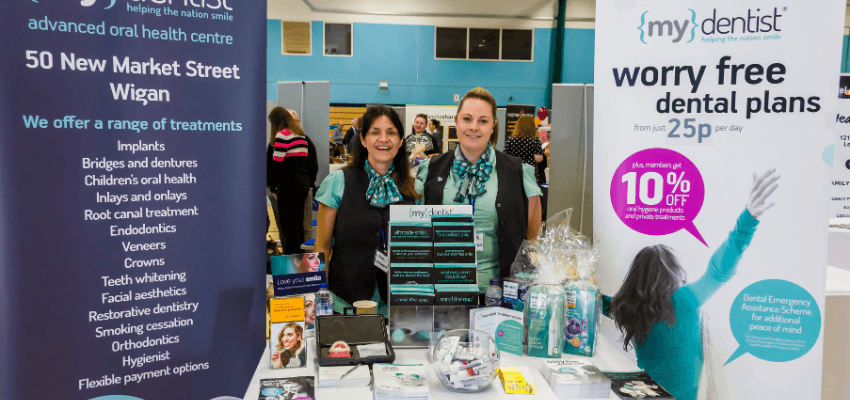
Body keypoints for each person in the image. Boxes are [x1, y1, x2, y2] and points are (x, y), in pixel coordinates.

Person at [603, 169, 780, 400]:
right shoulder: (683, 301)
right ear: (675, 273)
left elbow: (597, 301)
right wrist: (748, 220)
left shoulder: (628, 308)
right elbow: (718, 270)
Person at [416, 87, 542, 294]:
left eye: (483, 121)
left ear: (493, 126)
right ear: (456, 121)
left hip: (496, 295)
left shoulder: (519, 172)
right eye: (467, 119)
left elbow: (532, 237)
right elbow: (417, 229)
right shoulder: (430, 169)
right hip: (441, 292)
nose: (474, 127)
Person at [314, 105, 420, 316]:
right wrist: (319, 299)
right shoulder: (337, 183)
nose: (384, 139)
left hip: (397, 306)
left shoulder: (413, 190)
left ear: (400, 141)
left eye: (391, 132)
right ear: (363, 140)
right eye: (375, 132)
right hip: (344, 302)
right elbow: (322, 247)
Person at [267, 107, 318, 254]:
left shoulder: (282, 136)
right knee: (299, 225)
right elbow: (307, 164)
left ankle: (291, 264)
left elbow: (276, 164)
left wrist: (273, 187)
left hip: (288, 186)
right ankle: (302, 264)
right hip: (302, 185)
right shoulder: (301, 136)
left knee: (288, 228)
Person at [505, 115, 545, 185]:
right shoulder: (534, 140)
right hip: (530, 173)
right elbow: (538, 158)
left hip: (514, 171)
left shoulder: (511, 139)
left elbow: (505, 156)